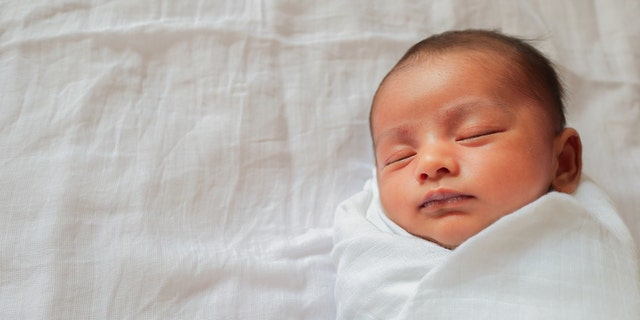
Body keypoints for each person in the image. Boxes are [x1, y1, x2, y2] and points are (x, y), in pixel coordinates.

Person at [370, 29, 582, 249]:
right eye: (399, 157)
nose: (430, 163)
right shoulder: (372, 250)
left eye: (476, 133)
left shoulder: (585, 252)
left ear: (563, 162)